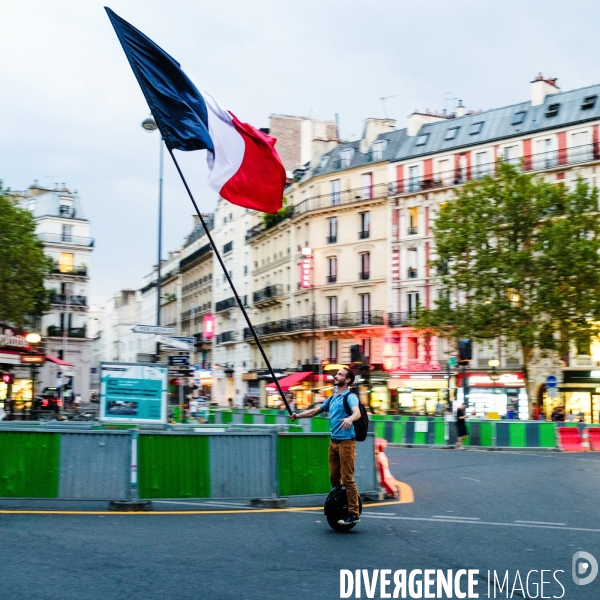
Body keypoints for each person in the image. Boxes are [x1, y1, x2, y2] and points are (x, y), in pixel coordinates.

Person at [291, 367, 362, 526]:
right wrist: (297, 415)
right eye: (337, 374)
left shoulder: (350, 397)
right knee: (334, 478)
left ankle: (354, 513)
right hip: (334, 443)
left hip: (346, 443)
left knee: (348, 479)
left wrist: (350, 419)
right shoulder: (333, 398)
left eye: (340, 375)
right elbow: (314, 411)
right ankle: (338, 505)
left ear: (348, 380)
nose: (336, 376)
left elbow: (357, 413)